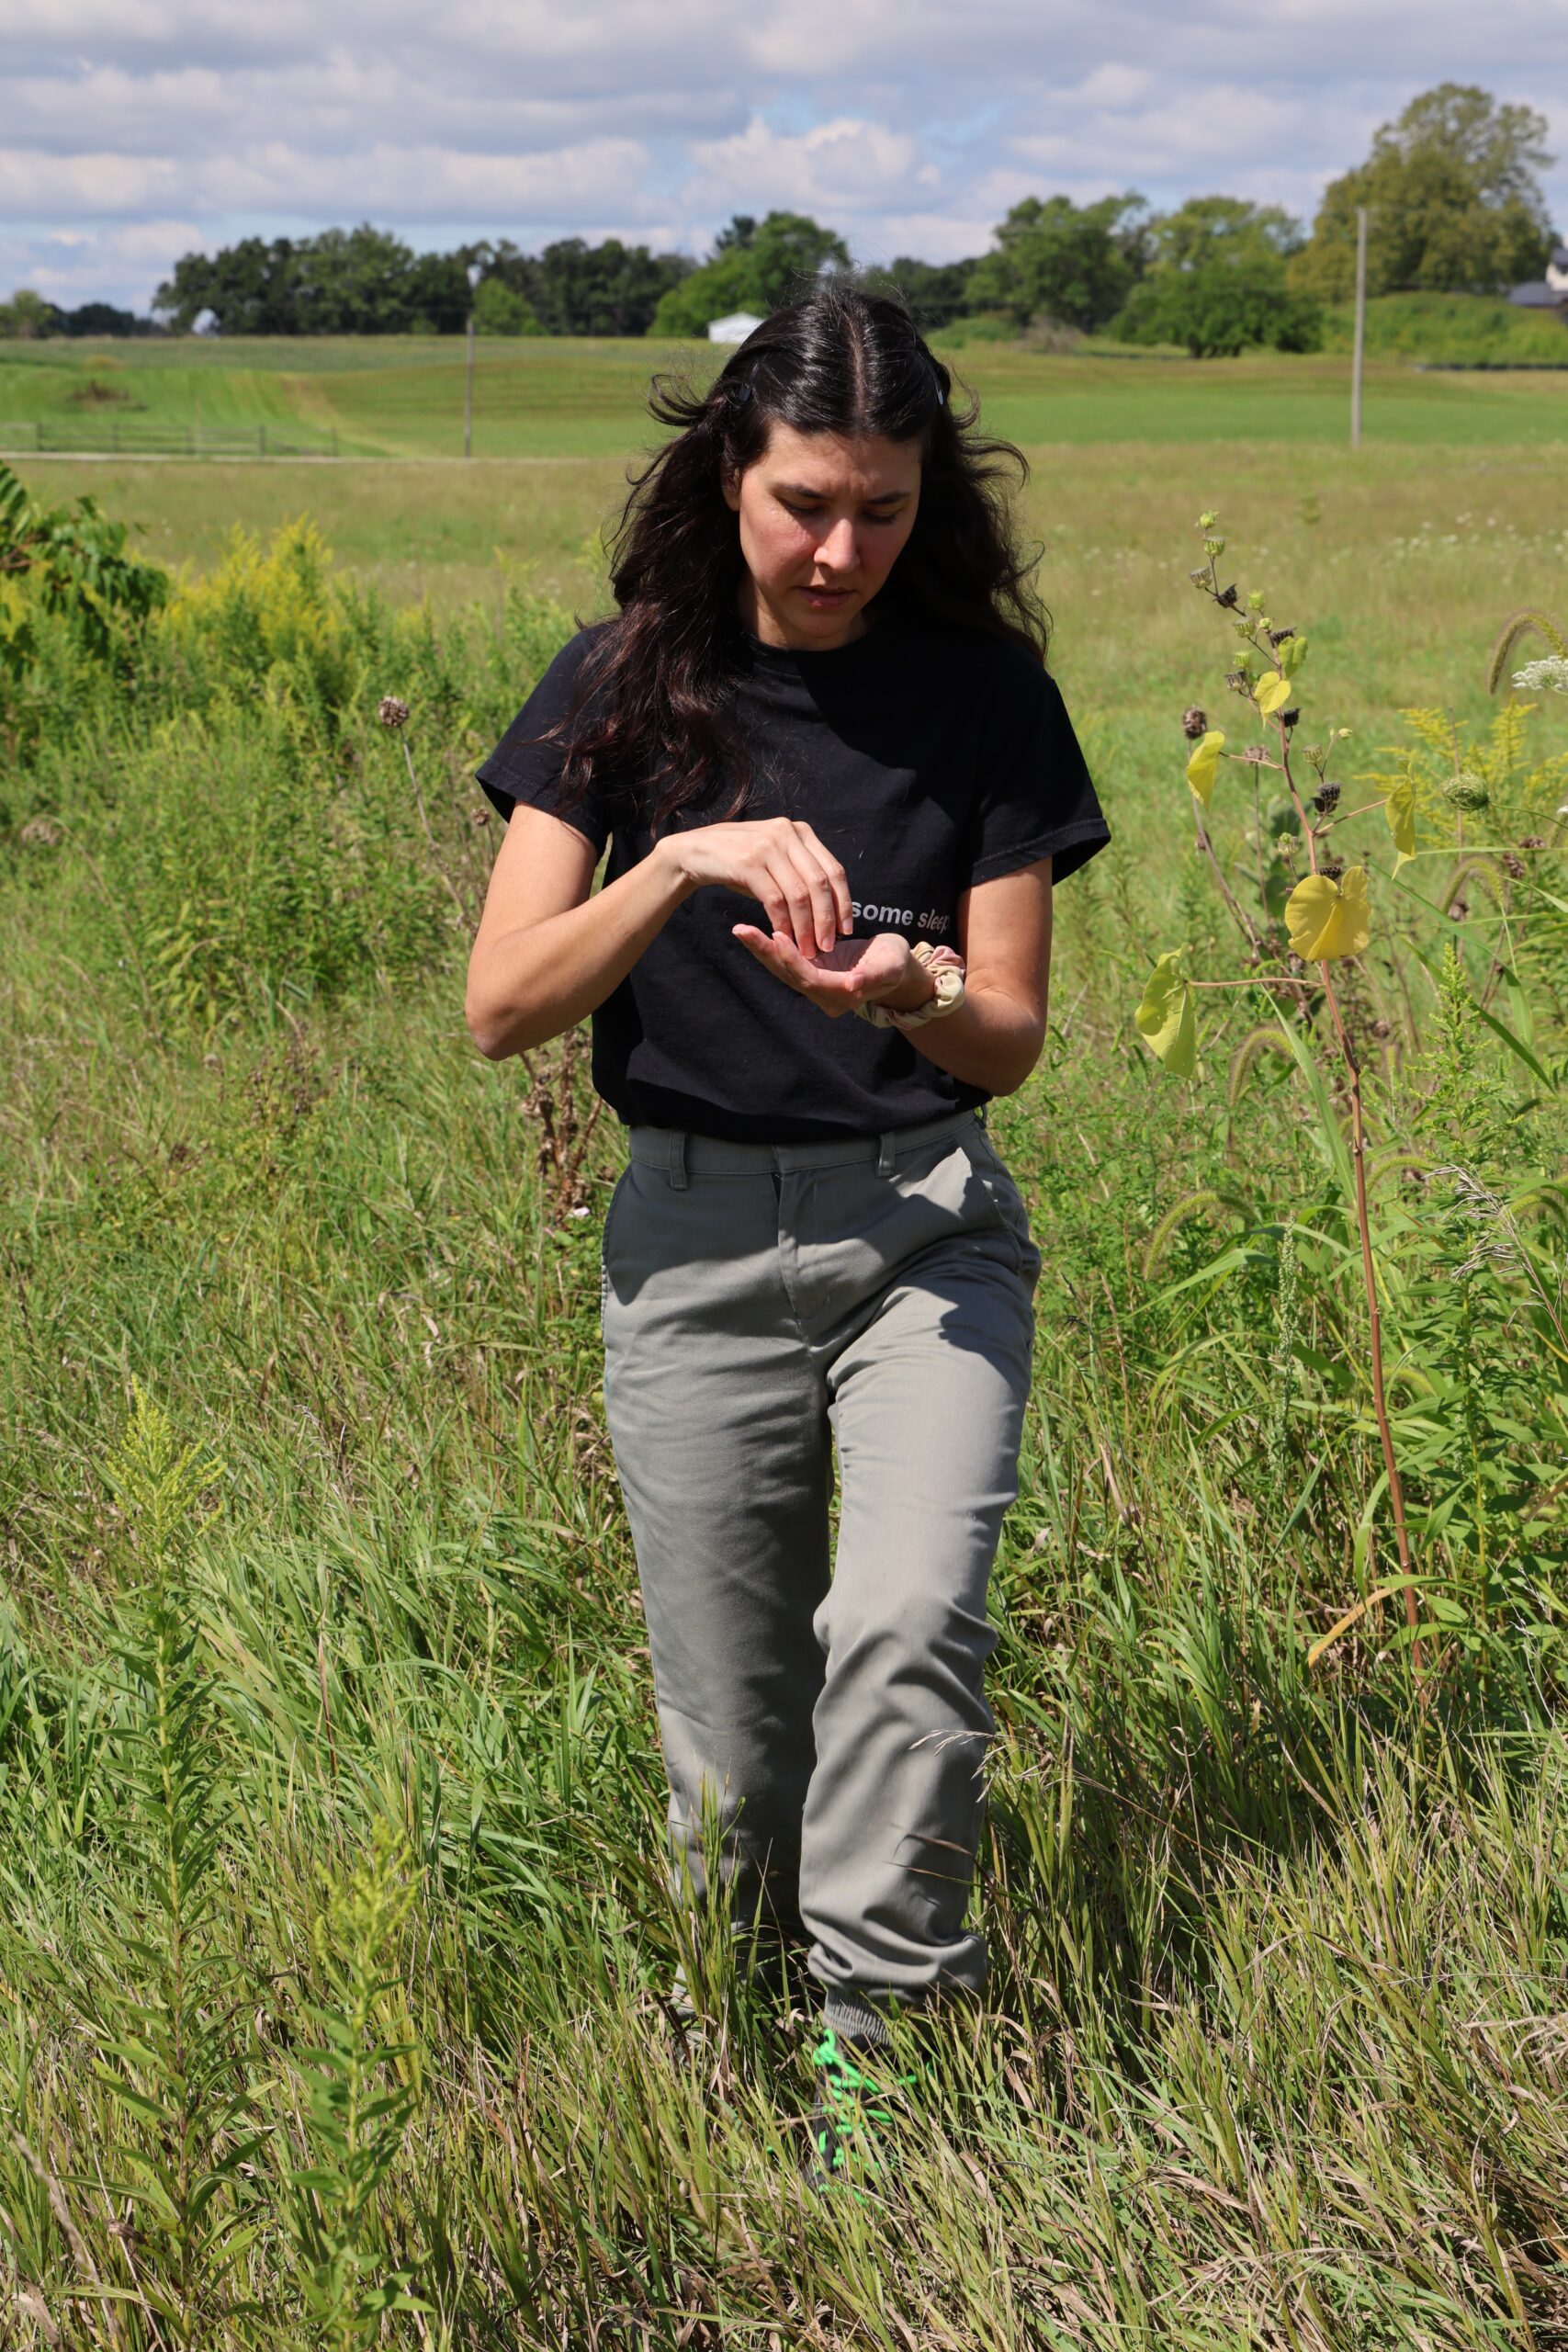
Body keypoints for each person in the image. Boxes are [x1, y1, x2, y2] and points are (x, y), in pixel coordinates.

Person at [466, 281, 1108, 2185]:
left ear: (932, 500)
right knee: (738, 1752)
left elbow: (1005, 1040)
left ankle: (873, 2063)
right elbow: (500, 1001)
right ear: (728, 471)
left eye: (882, 508)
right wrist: (675, 856)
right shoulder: (618, 683)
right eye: (804, 501)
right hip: (690, 1253)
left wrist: (905, 988)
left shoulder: (985, 696)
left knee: (908, 1626)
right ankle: (720, 2005)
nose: (840, 548)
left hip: (923, 1233)